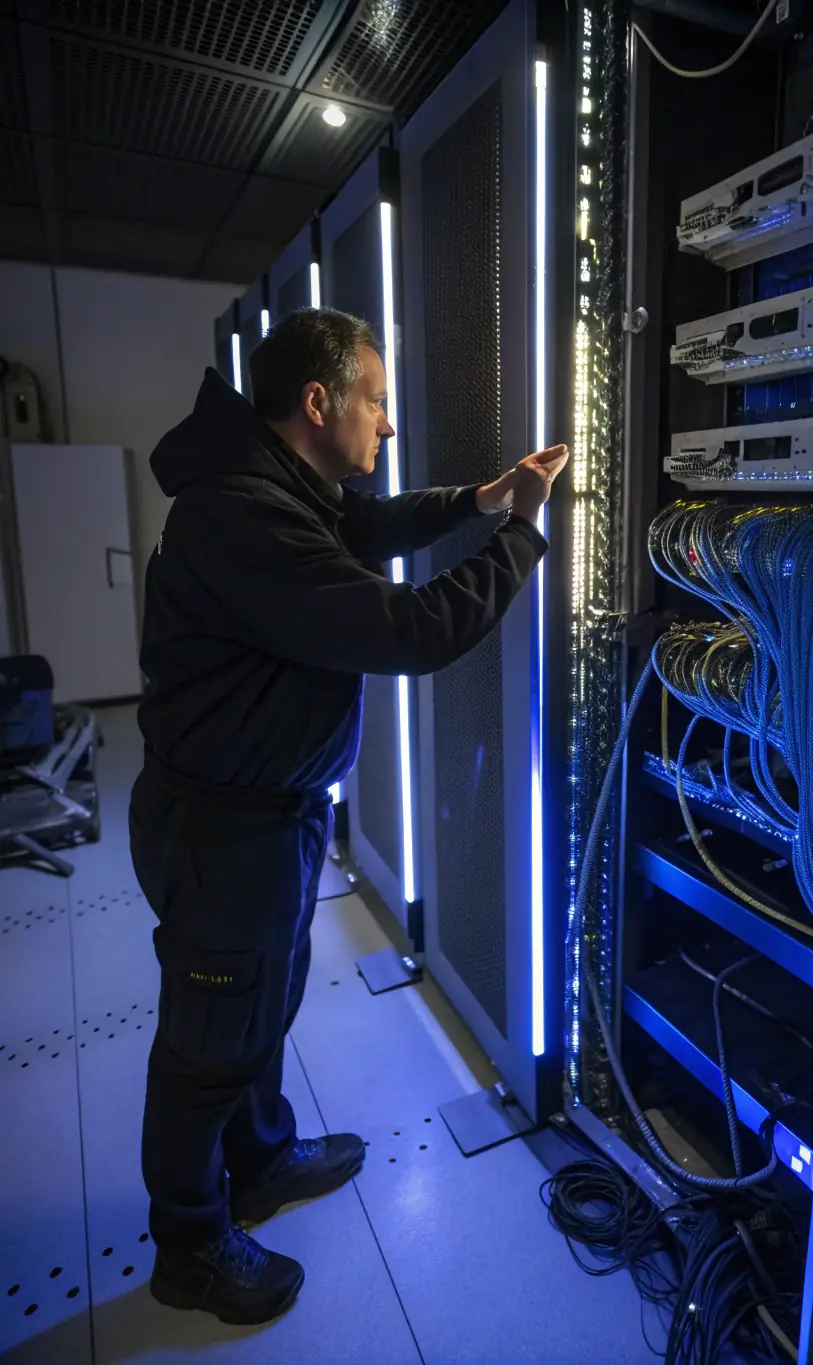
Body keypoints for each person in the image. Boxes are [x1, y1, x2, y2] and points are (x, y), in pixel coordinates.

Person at [129, 307, 568, 1326]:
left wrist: (482, 495)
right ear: (318, 402)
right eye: (376, 399)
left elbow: (368, 527)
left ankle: (263, 1159)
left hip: (263, 819)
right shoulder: (242, 514)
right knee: (206, 1045)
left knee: (256, 1009)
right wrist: (522, 533)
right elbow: (410, 629)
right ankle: (188, 1245)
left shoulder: (282, 486)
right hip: (221, 831)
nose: (388, 423)